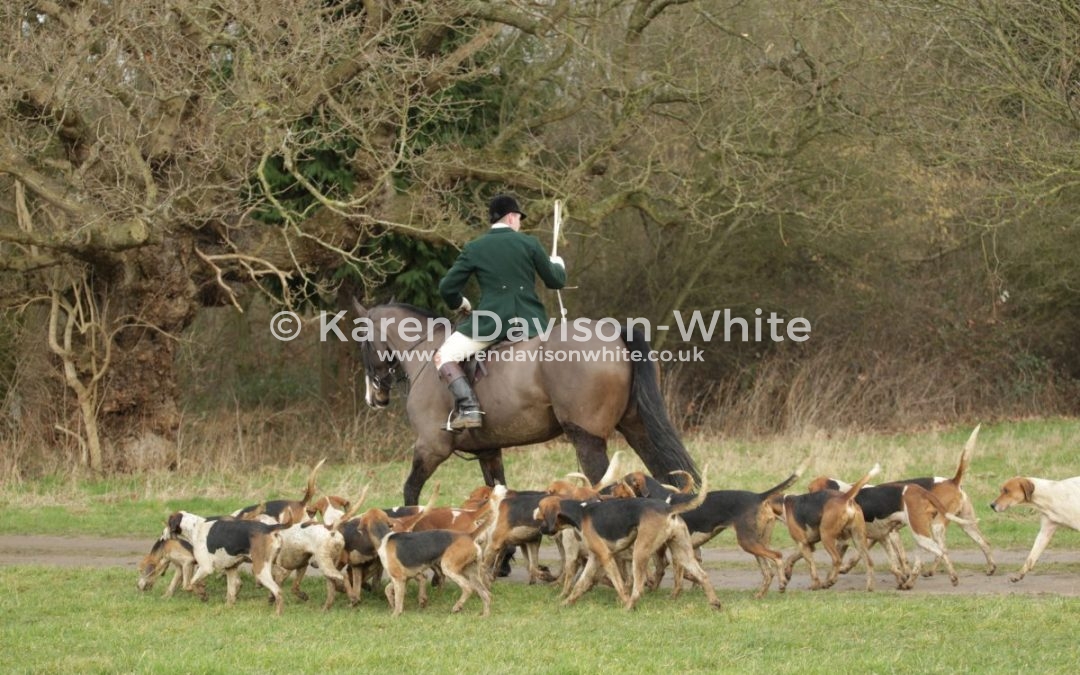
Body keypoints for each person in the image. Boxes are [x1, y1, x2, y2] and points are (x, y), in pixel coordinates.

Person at [435, 194, 567, 430]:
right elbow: (556, 281)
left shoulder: (475, 248)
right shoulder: (530, 244)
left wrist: (461, 304)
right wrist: (558, 264)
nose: (520, 224)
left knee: (443, 356)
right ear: (511, 217)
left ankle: (469, 408)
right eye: (519, 219)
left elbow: (447, 288)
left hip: (491, 323)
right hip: (532, 323)